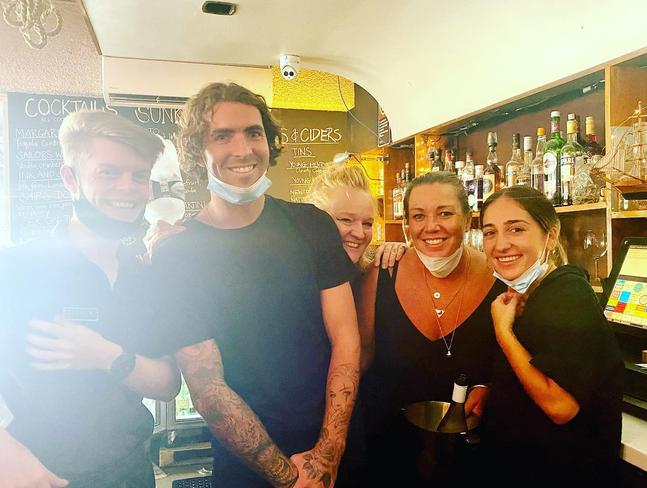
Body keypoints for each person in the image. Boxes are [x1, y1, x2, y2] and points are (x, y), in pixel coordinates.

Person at [146, 82, 361, 487]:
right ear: (197, 151)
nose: (243, 149)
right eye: (222, 136)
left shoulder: (311, 224)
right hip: (246, 468)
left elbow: (346, 338)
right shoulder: (178, 255)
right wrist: (289, 477)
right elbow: (207, 385)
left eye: (253, 132)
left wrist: (328, 454)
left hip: (334, 452)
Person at [0, 110, 181, 488]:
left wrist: (104, 355)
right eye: (108, 172)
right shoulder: (18, 268)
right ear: (71, 178)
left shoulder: (142, 276)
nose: (127, 188)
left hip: (132, 473)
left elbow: (166, 384)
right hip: (43, 476)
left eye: (139, 176)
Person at [356, 171, 505, 486]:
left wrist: (489, 388)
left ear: (467, 220)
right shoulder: (381, 271)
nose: (431, 226)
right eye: (418, 216)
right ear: (407, 226)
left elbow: (511, 361)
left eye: (445, 213)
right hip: (387, 454)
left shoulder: (500, 279)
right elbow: (360, 356)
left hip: (469, 461)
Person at [479, 186, 624, 485]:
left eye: (516, 229)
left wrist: (503, 333)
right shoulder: (525, 294)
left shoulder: (568, 294)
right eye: (490, 233)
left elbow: (560, 406)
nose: (500, 244)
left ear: (551, 235)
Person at [304, 164, 407, 270]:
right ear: (314, 219)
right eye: (346, 220)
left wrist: (398, 252)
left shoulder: (367, 276)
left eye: (367, 224)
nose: (360, 234)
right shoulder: (294, 278)